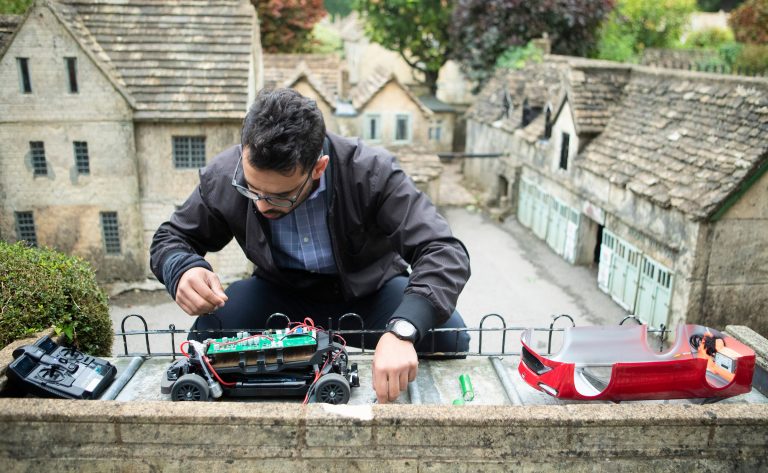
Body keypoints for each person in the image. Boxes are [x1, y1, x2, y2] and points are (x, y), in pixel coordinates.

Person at [150, 88, 471, 403]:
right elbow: (170, 239)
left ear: (319, 167)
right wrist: (182, 269)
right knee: (208, 334)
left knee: (450, 336)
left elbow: (443, 250)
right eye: (251, 190)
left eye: (278, 196)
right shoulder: (224, 175)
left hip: (369, 292)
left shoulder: (372, 172)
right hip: (279, 292)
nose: (261, 206)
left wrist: (403, 332)